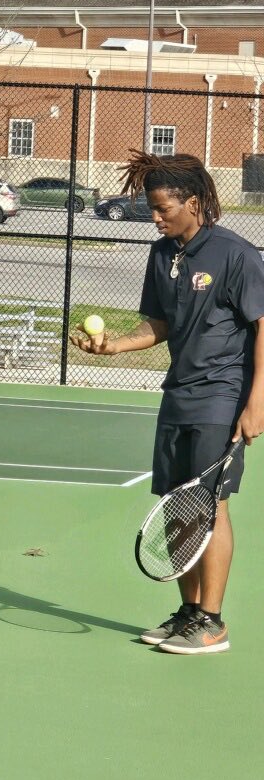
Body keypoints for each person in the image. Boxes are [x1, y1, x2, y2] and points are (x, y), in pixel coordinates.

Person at [70, 151, 264, 654]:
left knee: (211, 506)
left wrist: (257, 400)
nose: (155, 217)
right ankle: (188, 613)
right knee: (177, 503)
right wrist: (112, 346)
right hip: (177, 394)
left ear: (193, 202)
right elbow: (158, 324)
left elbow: (263, 324)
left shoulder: (236, 254)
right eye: (151, 208)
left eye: (162, 208)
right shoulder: (162, 255)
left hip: (223, 396)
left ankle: (213, 622)